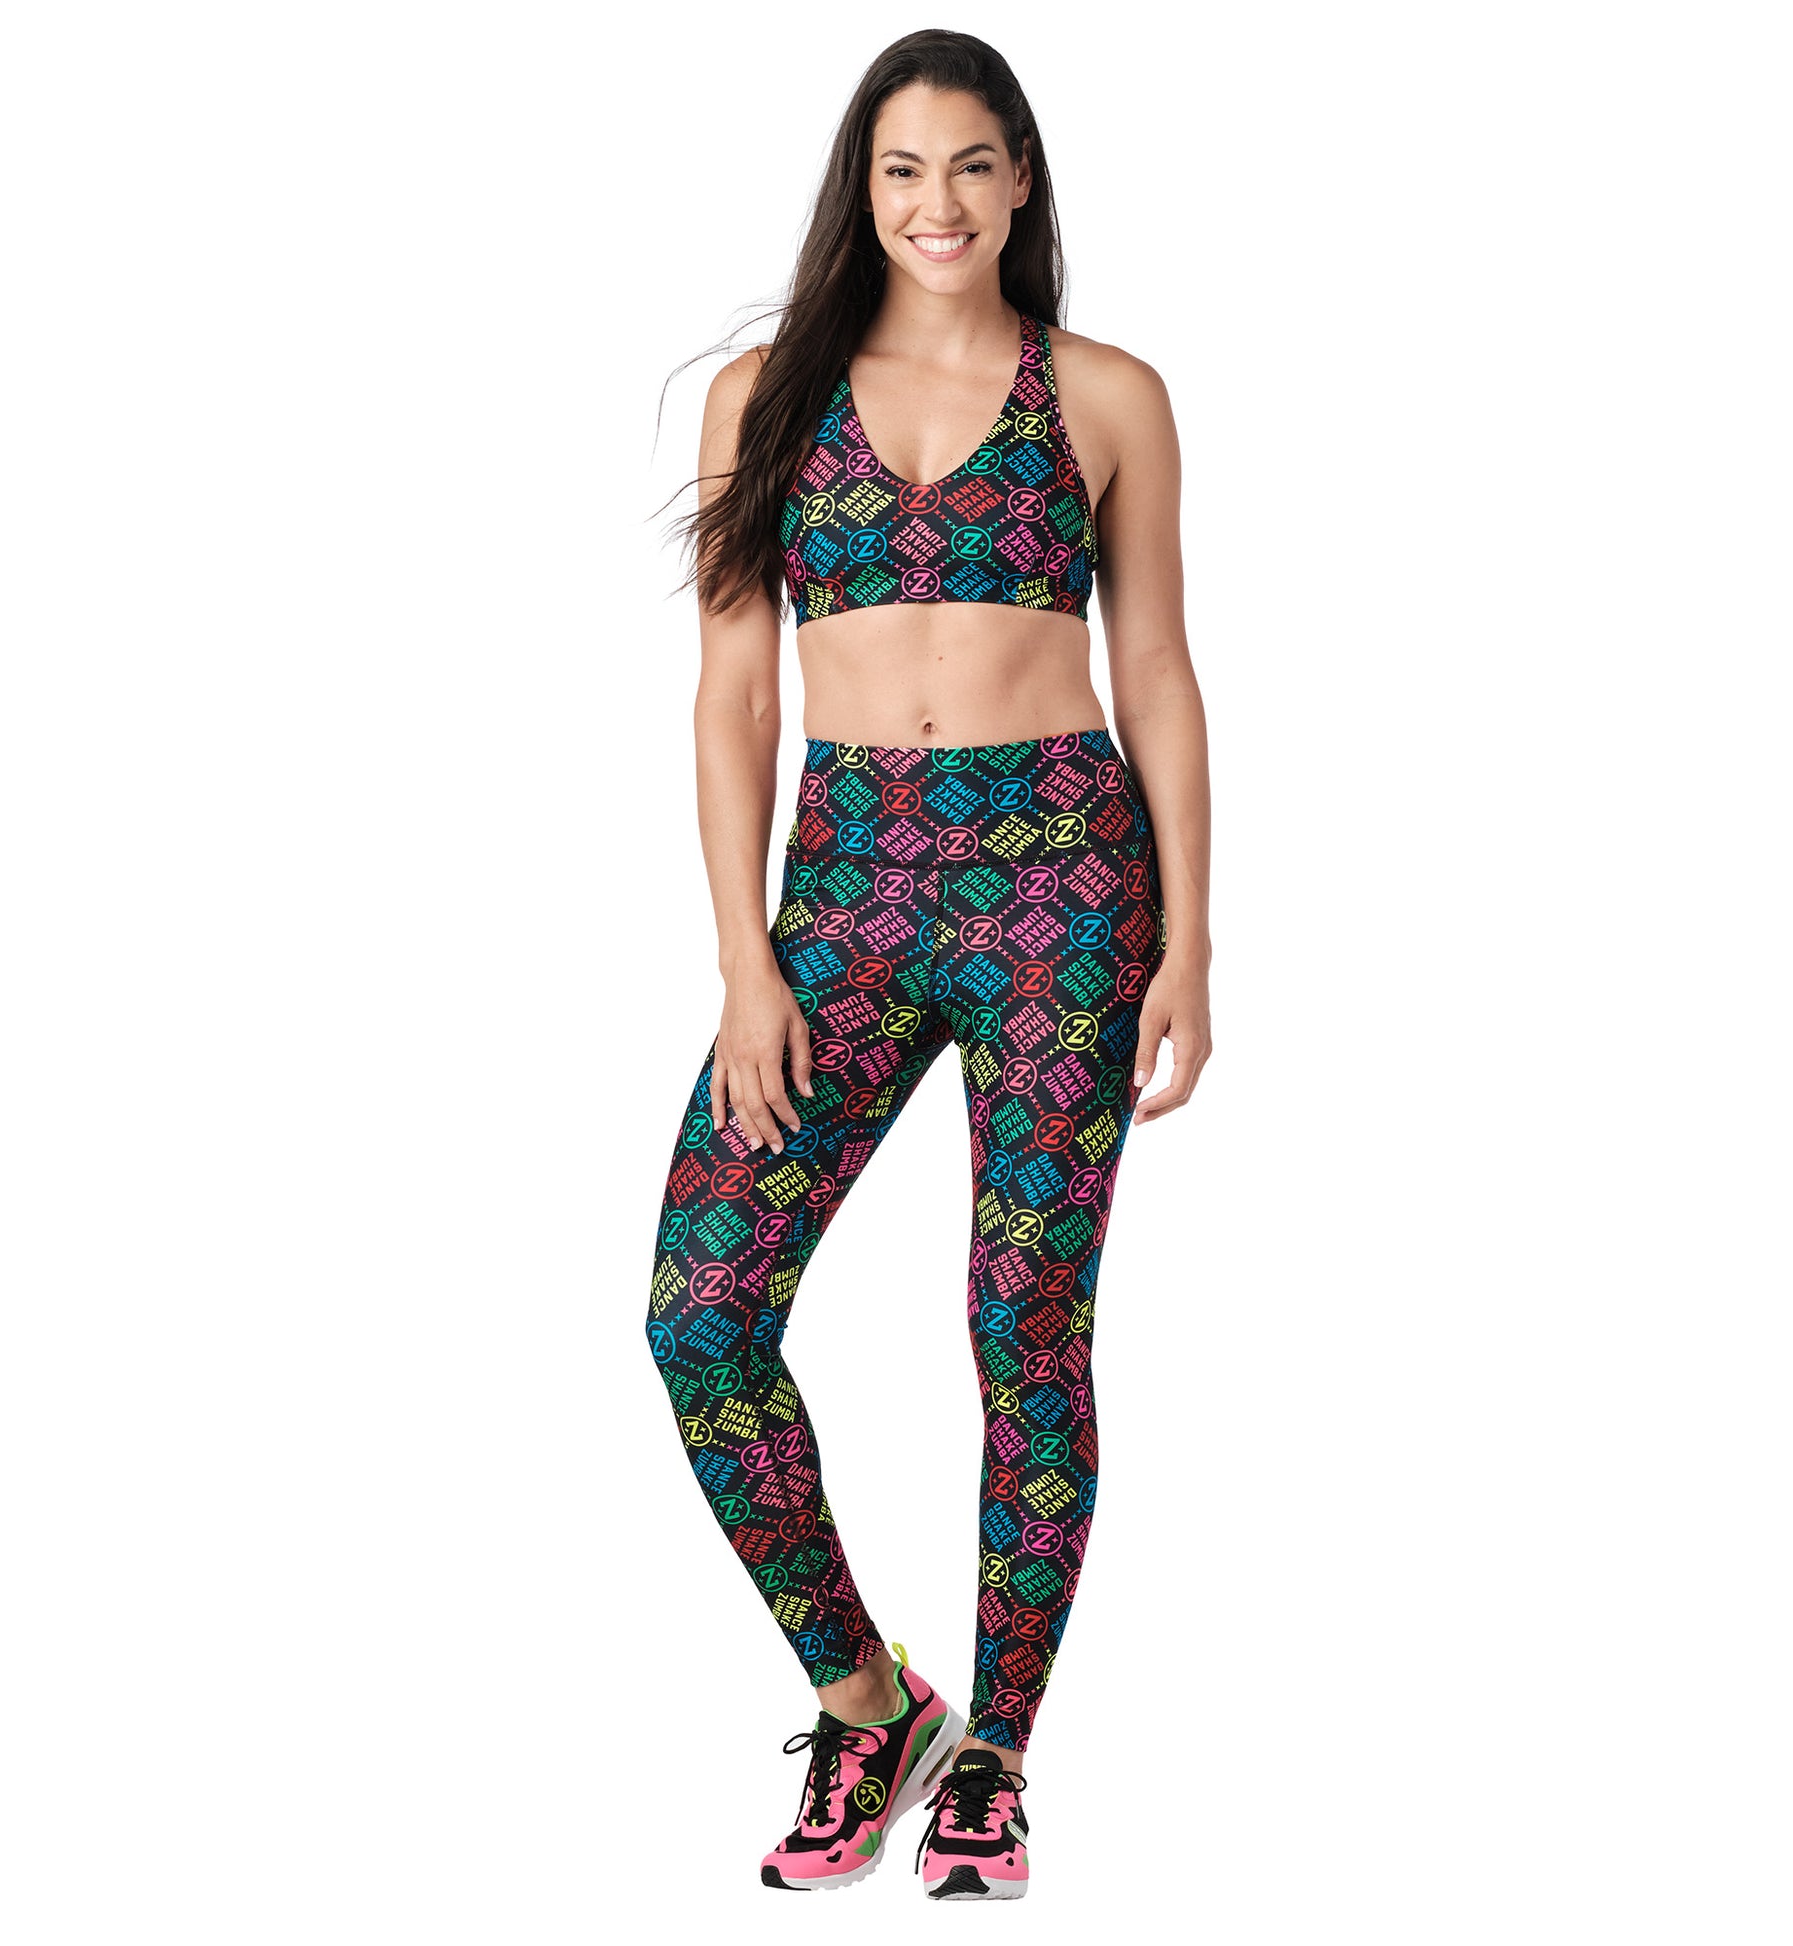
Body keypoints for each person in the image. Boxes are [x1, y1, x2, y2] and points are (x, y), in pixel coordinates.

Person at [645, 28, 1213, 1900]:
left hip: (1066, 890)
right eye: (902, 169)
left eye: (971, 164)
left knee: (1023, 1326)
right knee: (703, 1312)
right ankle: (868, 1700)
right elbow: (734, 693)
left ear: (1019, 178)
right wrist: (745, 959)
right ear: (861, 187)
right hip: (844, 894)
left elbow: (1157, 672)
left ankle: (996, 1762)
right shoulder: (767, 396)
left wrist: (1189, 939)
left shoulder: (1106, 394)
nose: (937, 202)